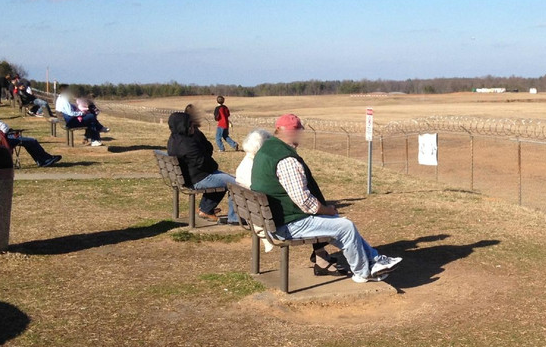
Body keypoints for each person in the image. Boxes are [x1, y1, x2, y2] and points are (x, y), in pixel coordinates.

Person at [250, 113, 402, 283]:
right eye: (297, 131)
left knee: (338, 224)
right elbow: (305, 202)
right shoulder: (286, 159)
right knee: (345, 227)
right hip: (287, 225)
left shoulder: (266, 148)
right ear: (284, 131)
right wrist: (326, 210)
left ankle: (375, 260)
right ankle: (363, 272)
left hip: (274, 220)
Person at [166, 110, 238, 224]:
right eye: (189, 124)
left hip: (189, 176)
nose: (192, 126)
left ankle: (206, 209)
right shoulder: (187, 144)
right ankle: (235, 218)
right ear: (183, 126)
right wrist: (213, 165)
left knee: (223, 178)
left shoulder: (174, 139)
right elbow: (205, 164)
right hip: (197, 179)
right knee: (235, 183)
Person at [0, 98, 62, 167]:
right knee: (32, 141)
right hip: (2, 139)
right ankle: (45, 160)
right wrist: (9, 130)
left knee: (28, 142)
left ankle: (43, 159)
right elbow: (3, 127)